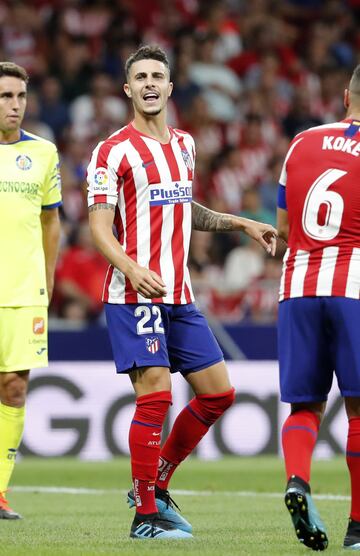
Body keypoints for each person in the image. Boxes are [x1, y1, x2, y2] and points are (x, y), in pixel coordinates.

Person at [87, 45, 277, 540]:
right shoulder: (112, 151)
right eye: (140, 77)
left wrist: (242, 223)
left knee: (219, 394)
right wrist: (132, 268)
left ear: (171, 87)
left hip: (180, 295)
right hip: (134, 295)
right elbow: (99, 229)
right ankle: (145, 516)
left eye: (158, 75)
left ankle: (156, 482)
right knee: (156, 397)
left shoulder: (186, 145)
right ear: (128, 89)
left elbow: (183, 207)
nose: (150, 83)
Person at [277, 64, 360, 551]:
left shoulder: (303, 141)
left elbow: (285, 229)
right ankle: (357, 526)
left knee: (305, 406)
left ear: (346, 96)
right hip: (353, 285)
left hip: (297, 286)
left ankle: (298, 481)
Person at [0, 62, 62, 519]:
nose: (14, 105)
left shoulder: (43, 153)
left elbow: (50, 221)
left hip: (23, 292)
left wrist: (49, 282)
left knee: (14, 388)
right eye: (5, 96)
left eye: (20, 96)